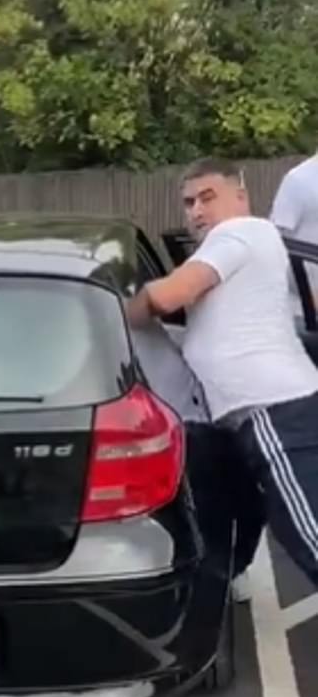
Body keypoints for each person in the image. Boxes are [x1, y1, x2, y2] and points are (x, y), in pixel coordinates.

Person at [126, 157, 318, 590]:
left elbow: (170, 294)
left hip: (272, 406)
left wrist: (112, 314)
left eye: (207, 198)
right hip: (245, 413)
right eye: (189, 202)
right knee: (242, 508)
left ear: (241, 196)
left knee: (308, 533)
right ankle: (225, 578)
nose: (196, 211)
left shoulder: (240, 232)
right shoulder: (246, 245)